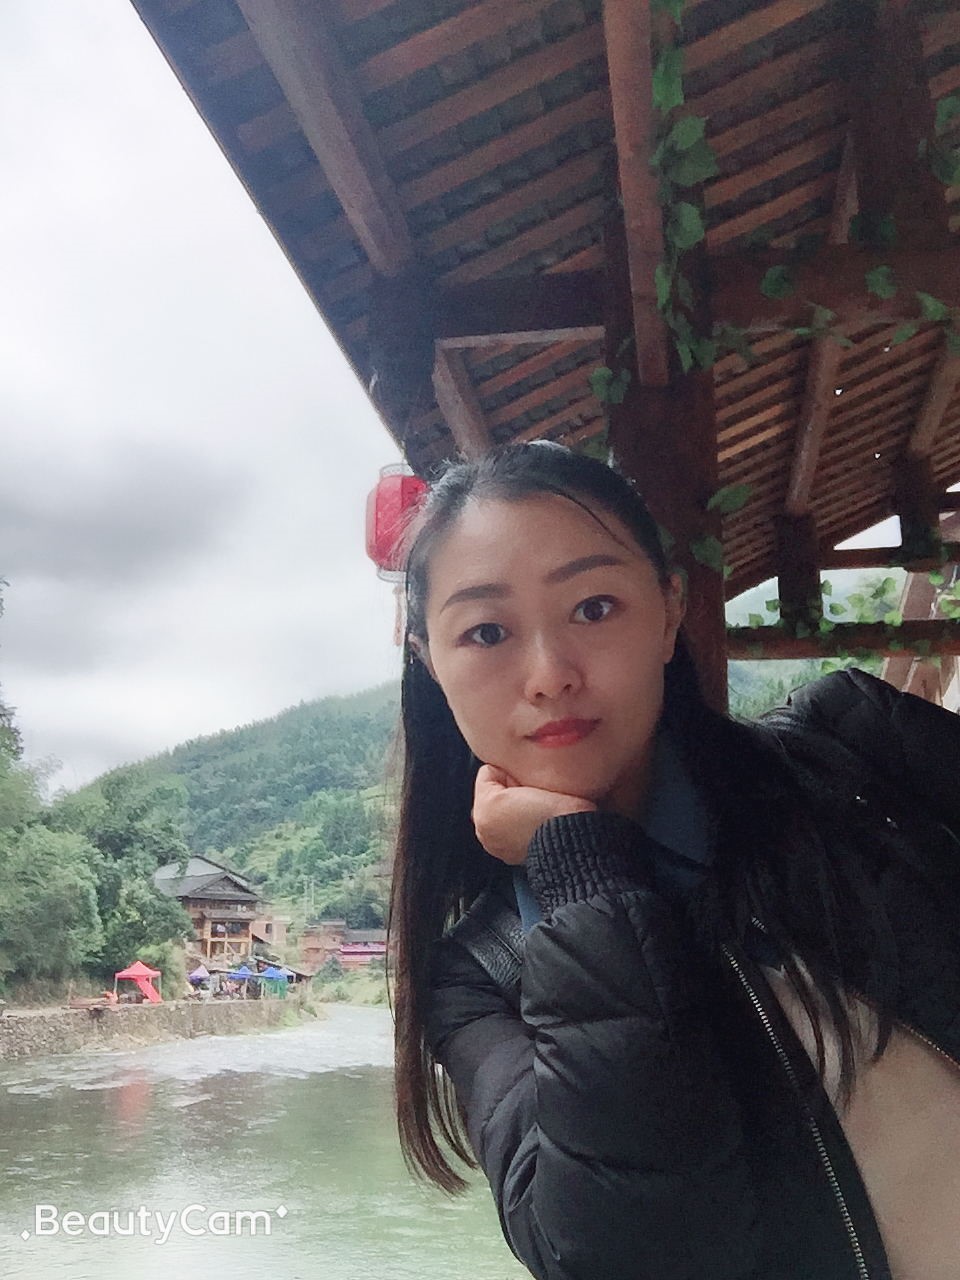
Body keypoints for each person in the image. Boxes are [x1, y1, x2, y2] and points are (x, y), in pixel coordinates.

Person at [387, 441, 960, 1280]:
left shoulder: (855, 748)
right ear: (429, 661)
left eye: (594, 608)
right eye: (486, 632)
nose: (549, 675)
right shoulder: (478, 978)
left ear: (668, 610)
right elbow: (637, 1256)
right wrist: (578, 871)